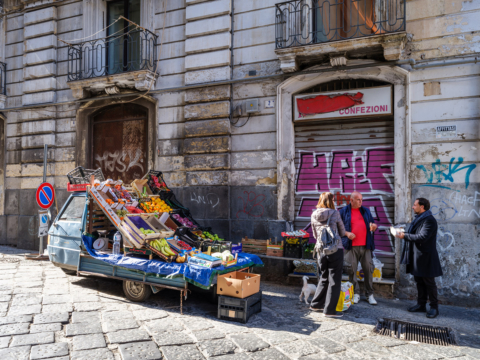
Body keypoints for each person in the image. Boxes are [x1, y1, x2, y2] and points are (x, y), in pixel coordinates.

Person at [394, 198, 443, 319]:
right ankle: (421, 305)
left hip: (426, 257)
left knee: (429, 283)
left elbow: (422, 237)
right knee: (419, 282)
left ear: (422, 207)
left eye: (415, 205)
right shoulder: (420, 218)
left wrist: (404, 235)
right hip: (417, 256)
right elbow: (416, 234)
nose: (412, 207)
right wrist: (404, 232)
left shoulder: (429, 220)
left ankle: (434, 308)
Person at [309, 192, 347, 318]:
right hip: (335, 249)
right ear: (331, 201)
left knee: (324, 276)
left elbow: (315, 235)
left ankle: (316, 304)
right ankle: (330, 310)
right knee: (335, 279)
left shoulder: (314, 214)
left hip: (321, 250)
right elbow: (341, 232)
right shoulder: (335, 213)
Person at [339, 192, 378, 305]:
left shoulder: (366, 211)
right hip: (351, 247)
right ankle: (355, 293)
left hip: (366, 246)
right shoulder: (343, 211)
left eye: (361, 199)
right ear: (351, 200)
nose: (361, 201)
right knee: (351, 270)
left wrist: (374, 227)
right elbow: (338, 228)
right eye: (358, 199)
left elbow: (372, 224)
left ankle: (369, 294)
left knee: (368, 270)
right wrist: (346, 233)